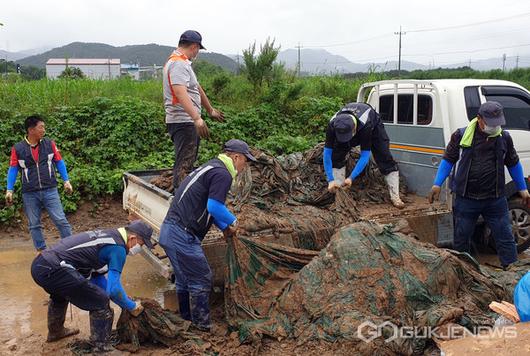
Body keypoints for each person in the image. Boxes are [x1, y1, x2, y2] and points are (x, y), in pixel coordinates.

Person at [159, 139, 255, 332]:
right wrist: (234, 222)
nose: (245, 166)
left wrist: (224, 228)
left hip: (170, 231)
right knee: (202, 278)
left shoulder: (211, 167)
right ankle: (202, 325)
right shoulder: (222, 174)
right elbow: (215, 206)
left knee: (185, 279)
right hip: (182, 235)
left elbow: (208, 209)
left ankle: (186, 319)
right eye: (245, 160)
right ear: (236, 157)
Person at [428, 101, 530, 269]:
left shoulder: (504, 137)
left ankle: (512, 272)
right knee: (462, 239)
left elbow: (513, 163)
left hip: (495, 199)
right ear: (479, 119)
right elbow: (448, 160)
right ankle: (463, 271)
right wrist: (437, 184)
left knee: (505, 237)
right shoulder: (461, 136)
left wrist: (523, 189)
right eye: (490, 123)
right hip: (466, 199)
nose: (494, 127)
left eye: (497, 123)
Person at [31, 220, 153, 351]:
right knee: (101, 301)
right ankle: (102, 349)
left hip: (40, 265)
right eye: (141, 244)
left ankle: (56, 332)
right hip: (54, 269)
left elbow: (97, 278)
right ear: (133, 238)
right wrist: (132, 306)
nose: (140, 248)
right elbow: (113, 290)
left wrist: (121, 298)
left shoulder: (109, 235)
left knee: (61, 294)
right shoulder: (118, 249)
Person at [163, 30, 225, 191]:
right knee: (184, 163)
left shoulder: (183, 63)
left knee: (186, 160)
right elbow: (179, 91)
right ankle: (180, 200)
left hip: (186, 120)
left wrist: (210, 110)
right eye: (198, 49)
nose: (197, 53)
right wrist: (197, 118)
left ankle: (180, 195)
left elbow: (196, 88)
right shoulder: (178, 64)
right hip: (184, 121)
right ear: (194, 46)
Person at [5, 115, 73, 251]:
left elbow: (59, 161)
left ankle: (71, 247)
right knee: (34, 224)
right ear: (31, 130)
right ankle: (41, 251)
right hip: (29, 193)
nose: (44, 130)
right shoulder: (18, 148)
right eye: (41, 127)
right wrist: (9, 189)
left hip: (50, 190)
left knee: (61, 220)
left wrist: (66, 181)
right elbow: (13, 168)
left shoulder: (50, 144)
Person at [323, 102, 405, 208]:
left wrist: (351, 178)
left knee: (384, 156)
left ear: (353, 130)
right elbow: (327, 154)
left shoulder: (366, 125)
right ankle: (339, 191)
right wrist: (330, 179)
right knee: (337, 155)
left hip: (373, 127)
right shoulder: (332, 125)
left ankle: (395, 197)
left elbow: (364, 155)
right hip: (349, 126)